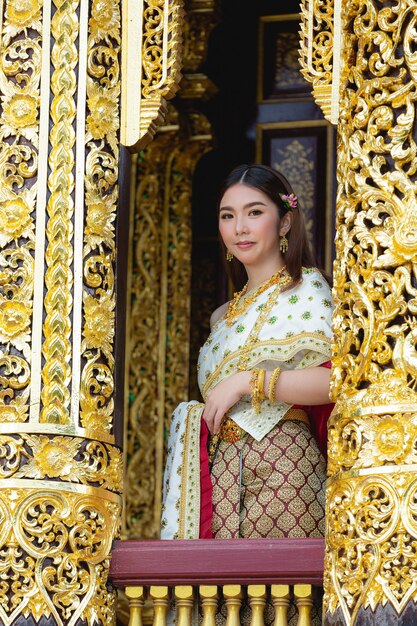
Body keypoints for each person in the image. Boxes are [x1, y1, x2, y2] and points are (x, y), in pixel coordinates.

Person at [161, 164, 333, 543]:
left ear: (284, 223)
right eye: (228, 216)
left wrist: (247, 382)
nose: (240, 227)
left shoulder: (309, 290)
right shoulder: (221, 316)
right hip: (221, 472)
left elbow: (335, 383)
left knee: (283, 596)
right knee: (221, 598)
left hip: (285, 467)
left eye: (254, 212)